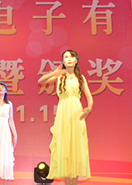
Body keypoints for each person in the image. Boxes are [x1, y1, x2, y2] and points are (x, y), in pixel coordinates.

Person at [37, 49, 93, 185]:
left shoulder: (81, 78)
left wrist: (89, 108)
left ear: (76, 60)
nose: (68, 59)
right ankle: (68, 182)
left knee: (76, 145)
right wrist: (54, 73)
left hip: (77, 112)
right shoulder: (59, 77)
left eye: (71, 56)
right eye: (66, 57)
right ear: (62, 61)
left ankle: (74, 182)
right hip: (63, 113)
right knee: (64, 144)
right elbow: (41, 80)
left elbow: (88, 96)